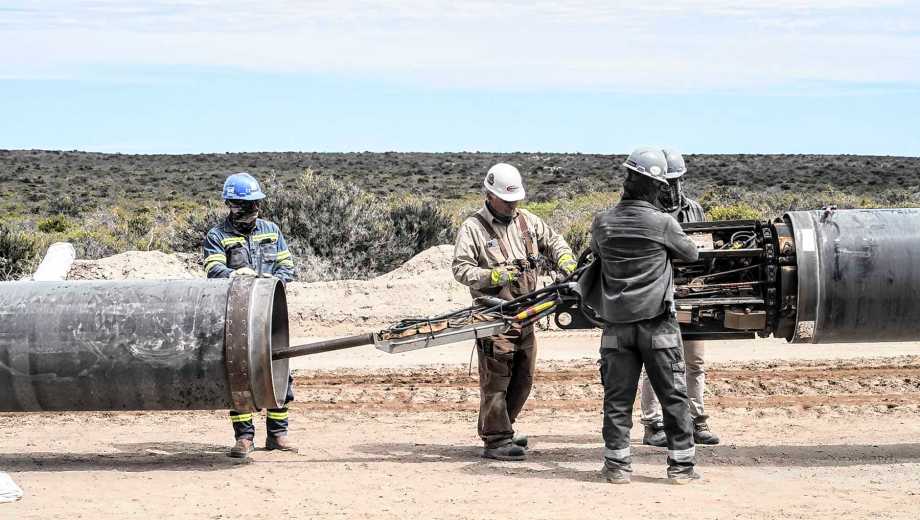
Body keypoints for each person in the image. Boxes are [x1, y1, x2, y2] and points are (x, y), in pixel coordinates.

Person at [585, 148, 700, 484]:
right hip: (658, 327)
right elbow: (691, 254)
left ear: (627, 180)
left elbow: (595, 253)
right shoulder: (664, 223)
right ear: (656, 187)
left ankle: (617, 468)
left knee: (617, 400)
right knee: (673, 396)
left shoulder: (602, 222)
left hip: (616, 327)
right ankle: (681, 468)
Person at [452, 163, 577, 461]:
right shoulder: (474, 228)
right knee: (496, 380)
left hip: (527, 314)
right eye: (507, 201)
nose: (512, 205)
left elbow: (554, 242)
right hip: (493, 317)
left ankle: (504, 427)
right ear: (489, 195)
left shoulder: (527, 222)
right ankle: (495, 439)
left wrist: (567, 263)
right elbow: (460, 268)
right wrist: (491, 277)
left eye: (515, 200)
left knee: (524, 376)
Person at [203, 172, 298, 459]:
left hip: (270, 314)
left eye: (253, 204)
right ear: (230, 205)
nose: (249, 210)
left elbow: (287, 269)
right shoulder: (217, 236)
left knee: (280, 371)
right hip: (236, 317)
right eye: (241, 205)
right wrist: (236, 275)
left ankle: (278, 434)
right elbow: (213, 271)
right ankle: (244, 438)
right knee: (238, 374)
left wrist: (267, 284)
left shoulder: (272, 230)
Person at [640, 149, 720, 447]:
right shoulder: (644, 212)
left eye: (675, 180)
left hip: (691, 295)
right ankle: (653, 424)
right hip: (657, 298)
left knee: (694, 361)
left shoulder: (694, 210)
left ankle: (696, 419)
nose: (671, 188)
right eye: (665, 181)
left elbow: (705, 249)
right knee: (655, 361)